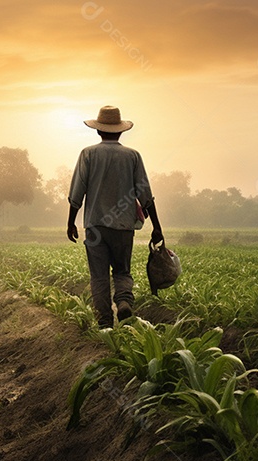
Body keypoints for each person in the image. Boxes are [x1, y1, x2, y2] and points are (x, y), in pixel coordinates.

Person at [67, 105, 162, 329]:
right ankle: (123, 301)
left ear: (99, 131)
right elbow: (145, 194)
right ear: (120, 131)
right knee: (122, 271)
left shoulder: (88, 154)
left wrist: (71, 221)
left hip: (95, 226)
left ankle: (105, 324)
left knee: (99, 276)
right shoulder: (132, 156)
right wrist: (157, 227)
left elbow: (77, 192)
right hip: (123, 227)